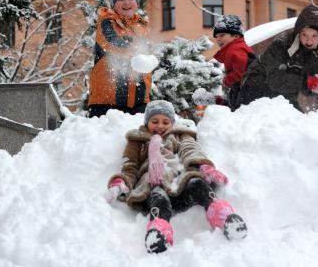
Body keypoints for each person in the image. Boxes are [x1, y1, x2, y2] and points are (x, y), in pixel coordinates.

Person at [106, 100, 247, 254]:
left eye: (165, 122)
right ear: (147, 122)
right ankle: (160, 232)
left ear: (172, 122)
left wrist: (204, 166)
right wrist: (121, 181)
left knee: (197, 183)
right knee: (158, 197)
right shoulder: (138, 140)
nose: (160, 126)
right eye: (155, 121)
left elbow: (190, 149)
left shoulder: (179, 135)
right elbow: (130, 165)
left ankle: (222, 217)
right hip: (153, 182)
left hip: (180, 182)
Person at [237, 5, 318, 111]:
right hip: (254, 89)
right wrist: (307, 82)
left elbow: (302, 85)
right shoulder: (281, 45)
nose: (309, 41)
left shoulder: (317, 55)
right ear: (298, 33)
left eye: (314, 36)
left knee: (299, 122)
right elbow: (274, 80)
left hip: (284, 95)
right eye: (304, 35)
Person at [88, 0, 152, 118]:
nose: (127, 2)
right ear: (113, 3)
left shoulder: (142, 26)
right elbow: (111, 41)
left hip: (138, 100)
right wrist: (129, 46)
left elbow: (149, 54)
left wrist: (158, 61)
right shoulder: (107, 22)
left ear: (137, 2)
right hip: (107, 100)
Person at [211, 15, 255, 111]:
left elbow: (240, 73)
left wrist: (226, 80)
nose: (218, 39)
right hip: (245, 93)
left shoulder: (235, 49)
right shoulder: (234, 49)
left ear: (236, 36)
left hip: (247, 94)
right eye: (216, 36)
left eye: (222, 35)